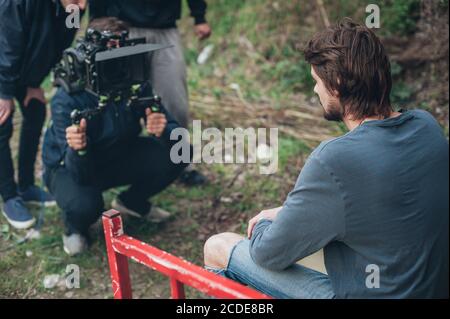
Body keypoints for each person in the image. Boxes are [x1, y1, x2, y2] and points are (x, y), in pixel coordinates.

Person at [203, 19, 449, 299]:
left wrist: (264, 224)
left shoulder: (333, 160)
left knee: (218, 246)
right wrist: (286, 213)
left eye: (316, 82)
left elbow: (267, 253)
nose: (315, 91)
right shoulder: (427, 127)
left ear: (338, 84)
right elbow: (386, 207)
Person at [42, 17, 189, 256]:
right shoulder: (68, 98)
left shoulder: (135, 82)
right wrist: (78, 147)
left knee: (180, 149)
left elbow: (173, 133)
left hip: (118, 153)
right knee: (86, 204)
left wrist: (164, 131)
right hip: (71, 167)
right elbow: (78, 173)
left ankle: (132, 202)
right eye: (110, 58)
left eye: (124, 54)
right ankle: (74, 227)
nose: (119, 63)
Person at [89, 0, 211, 186]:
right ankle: (114, 164)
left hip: (165, 28)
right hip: (121, 27)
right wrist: (96, 23)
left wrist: (199, 16)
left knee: (175, 101)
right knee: (116, 100)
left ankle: (182, 164)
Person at [0, 0, 87, 230]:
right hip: (2, 63)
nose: (81, 3)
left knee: (36, 111)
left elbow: (60, 44)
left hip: (20, 66)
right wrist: (5, 93)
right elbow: (9, 43)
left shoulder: (75, 7)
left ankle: (26, 186)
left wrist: (34, 82)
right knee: (2, 124)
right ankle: (9, 197)